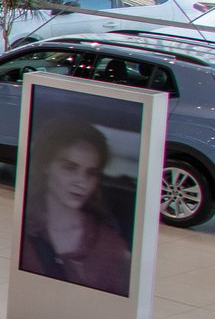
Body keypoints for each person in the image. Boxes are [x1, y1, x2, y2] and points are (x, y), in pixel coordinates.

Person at [19, 115, 132, 294]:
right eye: (70, 168)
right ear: (45, 165)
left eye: (91, 173)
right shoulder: (24, 224)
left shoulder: (111, 247)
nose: (81, 182)